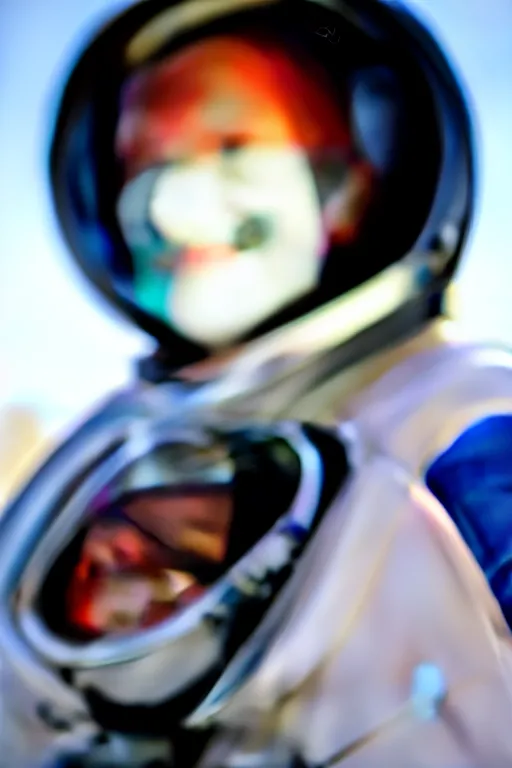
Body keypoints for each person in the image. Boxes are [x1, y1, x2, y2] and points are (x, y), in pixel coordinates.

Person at [2, 0, 512, 766]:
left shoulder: (467, 424)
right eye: (143, 162)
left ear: (357, 183)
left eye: (234, 147)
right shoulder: (96, 448)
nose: (170, 205)